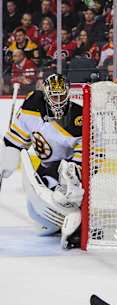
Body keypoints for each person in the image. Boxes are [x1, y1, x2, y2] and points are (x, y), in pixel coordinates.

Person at [0, 73, 84, 249]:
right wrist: (8, 153)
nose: (59, 100)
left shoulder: (77, 116)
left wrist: (75, 171)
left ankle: (79, 224)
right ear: (46, 94)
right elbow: (17, 138)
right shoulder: (33, 104)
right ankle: (60, 220)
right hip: (45, 167)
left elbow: (86, 149)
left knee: (65, 196)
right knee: (39, 217)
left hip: (66, 168)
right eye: (54, 96)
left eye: (62, 95)